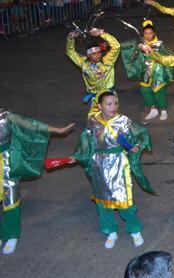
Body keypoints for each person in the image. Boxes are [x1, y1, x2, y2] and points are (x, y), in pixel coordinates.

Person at [72, 91, 154, 249]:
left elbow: (140, 134)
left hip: (119, 164)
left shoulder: (123, 121)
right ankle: (110, 231)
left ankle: (135, 230)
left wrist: (136, 146)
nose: (113, 107)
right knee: (102, 200)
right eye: (108, 104)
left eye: (115, 103)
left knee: (123, 199)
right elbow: (85, 142)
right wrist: (77, 156)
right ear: (99, 106)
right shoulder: (93, 122)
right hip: (99, 165)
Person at [0, 109, 75, 254]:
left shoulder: (5, 117)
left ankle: (12, 234)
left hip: (7, 163)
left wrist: (57, 130)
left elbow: (31, 125)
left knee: (10, 199)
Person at [121, 21, 174, 121]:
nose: (148, 35)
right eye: (145, 33)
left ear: (154, 33)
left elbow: (170, 56)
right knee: (146, 91)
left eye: (150, 33)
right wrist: (138, 46)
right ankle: (153, 109)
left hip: (157, 73)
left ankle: (163, 110)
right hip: (144, 73)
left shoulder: (160, 45)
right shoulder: (140, 43)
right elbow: (123, 45)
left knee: (159, 92)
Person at [66, 27, 121, 116]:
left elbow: (116, 46)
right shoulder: (84, 63)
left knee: (112, 119)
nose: (98, 55)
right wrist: (70, 39)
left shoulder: (107, 61)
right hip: (95, 98)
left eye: (99, 52)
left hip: (109, 96)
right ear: (88, 55)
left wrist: (102, 33)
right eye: (94, 54)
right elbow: (70, 52)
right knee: (94, 120)